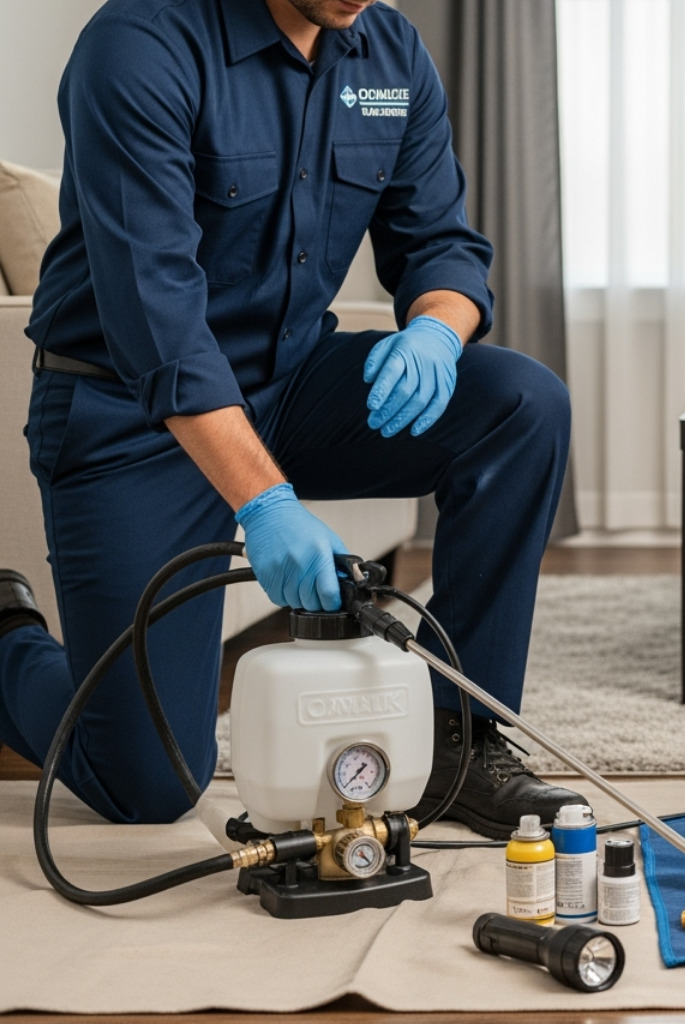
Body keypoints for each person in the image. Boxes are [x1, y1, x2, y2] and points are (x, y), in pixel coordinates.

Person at [0, 0, 584, 838]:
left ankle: (460, 739)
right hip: (128, 413)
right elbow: (157, 320)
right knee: (148, 784)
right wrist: (264, 501)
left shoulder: (389, 53)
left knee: (522, 406)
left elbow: (441, 244)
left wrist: (436, 331)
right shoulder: (138, 46)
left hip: (290, 382)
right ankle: (6, 639)